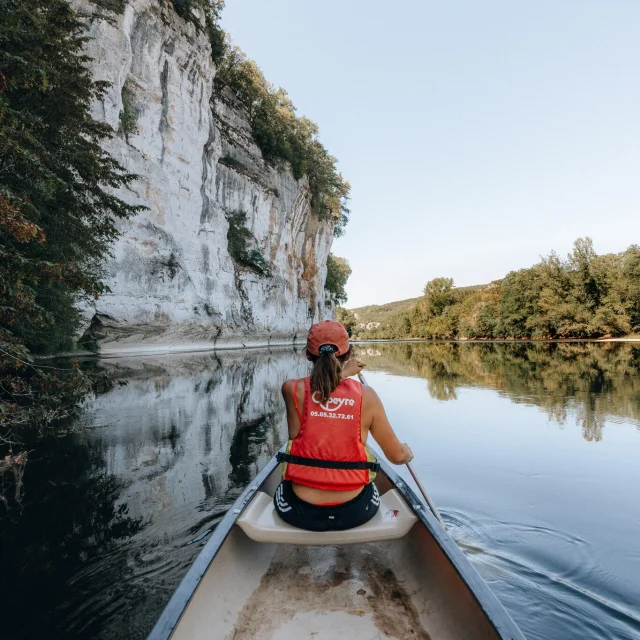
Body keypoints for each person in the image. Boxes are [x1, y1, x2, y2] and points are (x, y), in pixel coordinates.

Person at [274, 320, 414, 532]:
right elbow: (397, 456)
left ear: (308, 355)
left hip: (300, 511)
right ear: (348, 355)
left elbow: (295, 435)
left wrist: (342, 375)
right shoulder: (368, 396)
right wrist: (407, 453)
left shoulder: (291, 389)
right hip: (354, 511)